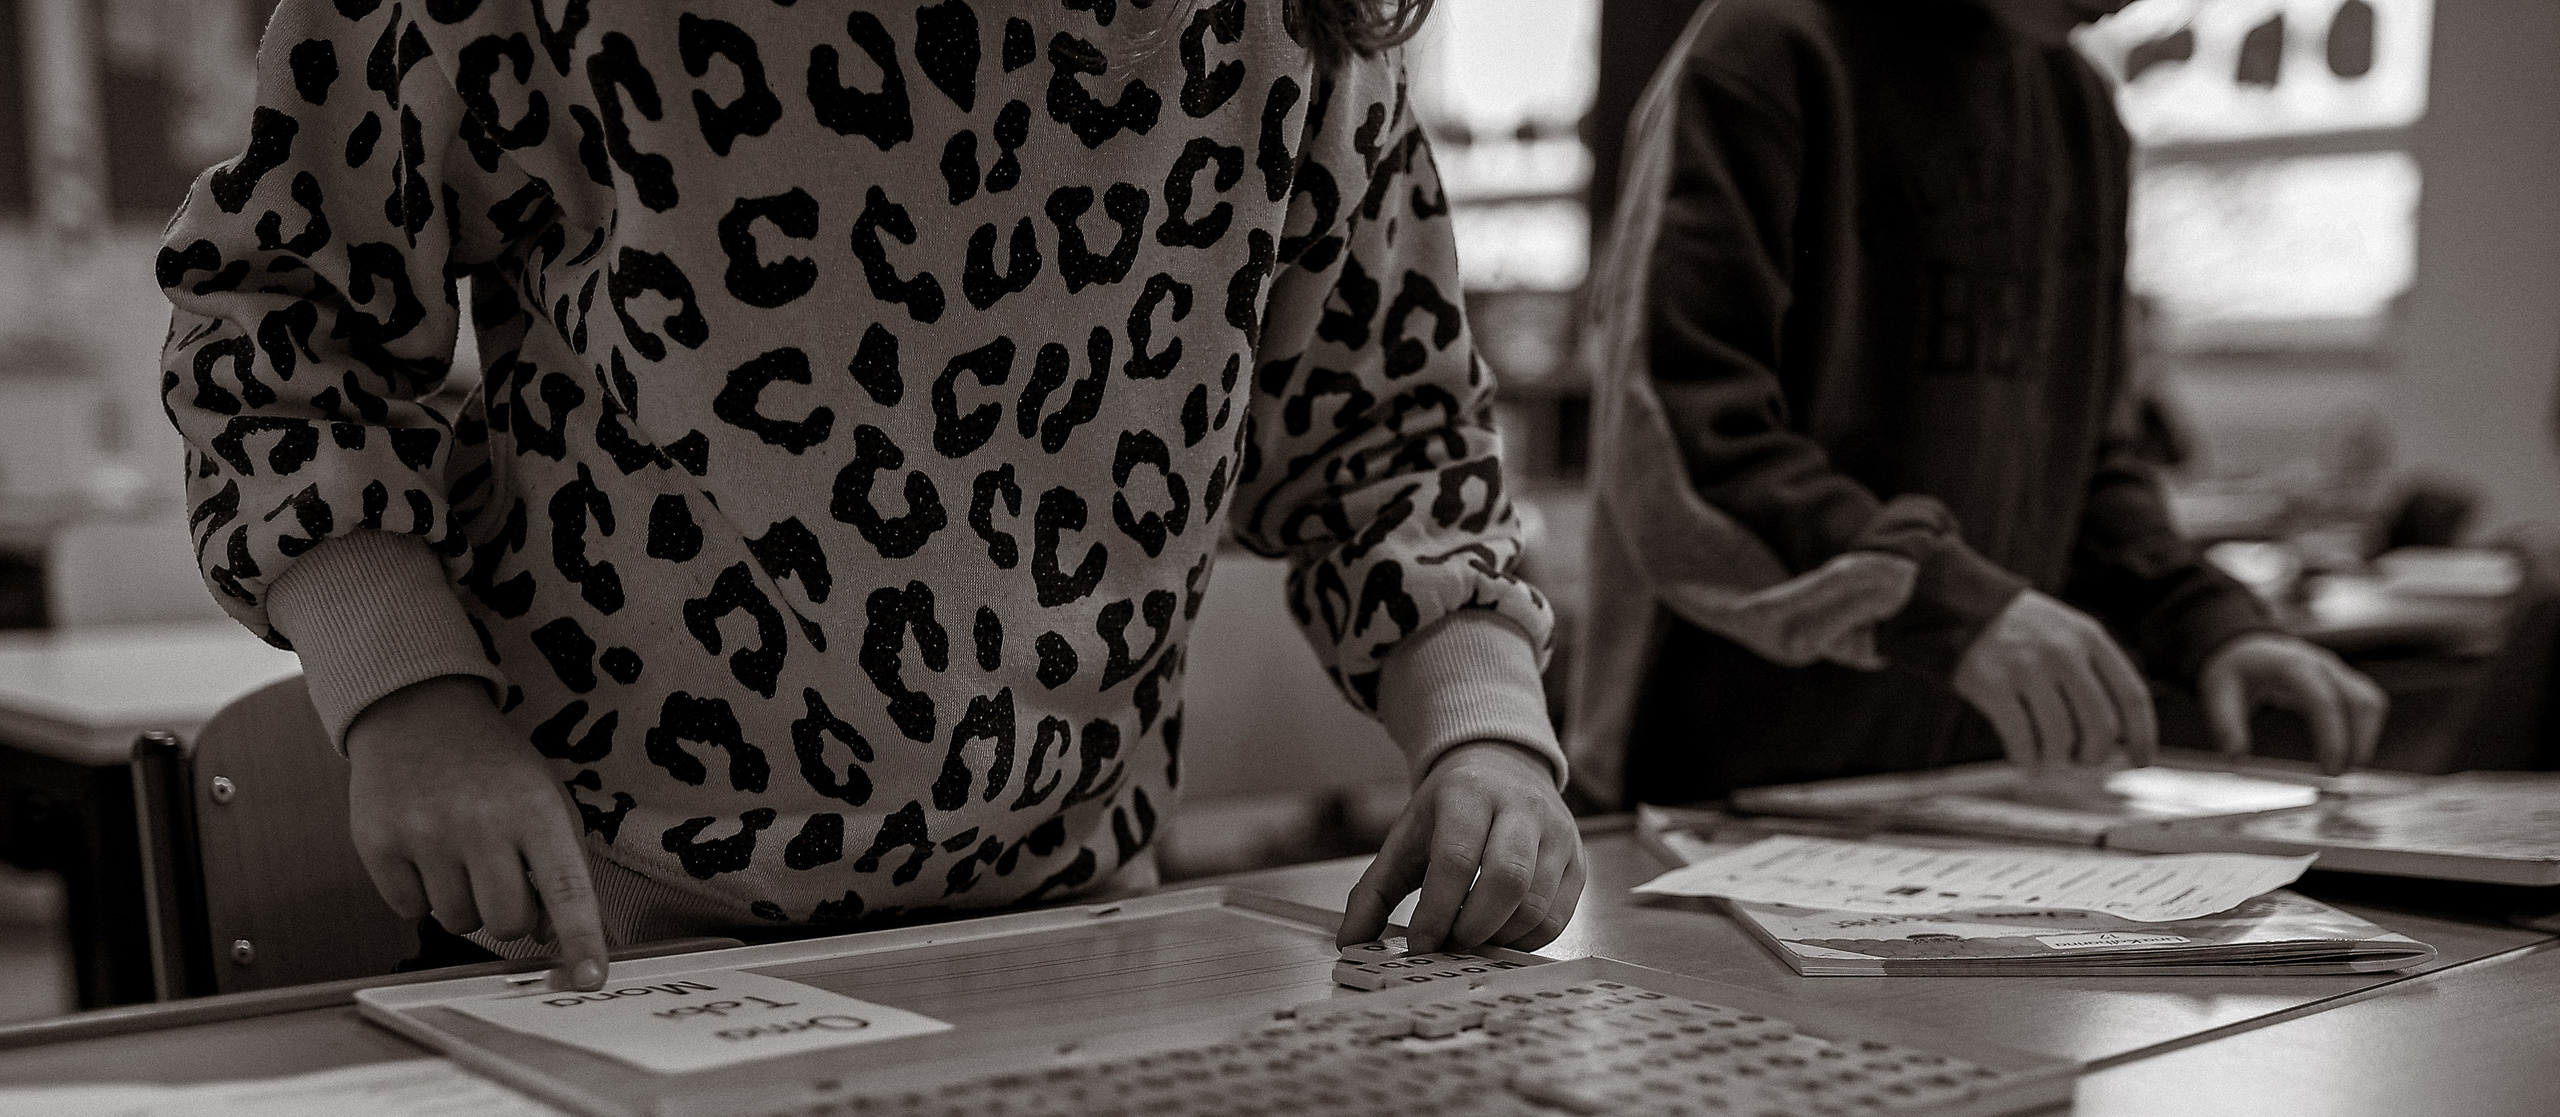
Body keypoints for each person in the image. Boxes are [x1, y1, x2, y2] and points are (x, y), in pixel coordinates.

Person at [162, 0, 1581, 989]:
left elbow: (1386, 434)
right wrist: (413, 703)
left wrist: (1487, 740)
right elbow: (283, 318)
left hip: (1069, 936)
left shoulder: (1296, 24)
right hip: (606, 927)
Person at [1566, 0, 2391, 810]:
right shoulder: (1767, 47)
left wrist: (2210, 622)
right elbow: (1683, 451)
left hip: (1967, 796)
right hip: (1712, 794)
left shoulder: (2081, 110)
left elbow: (2091, 467)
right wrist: (1946, 607)